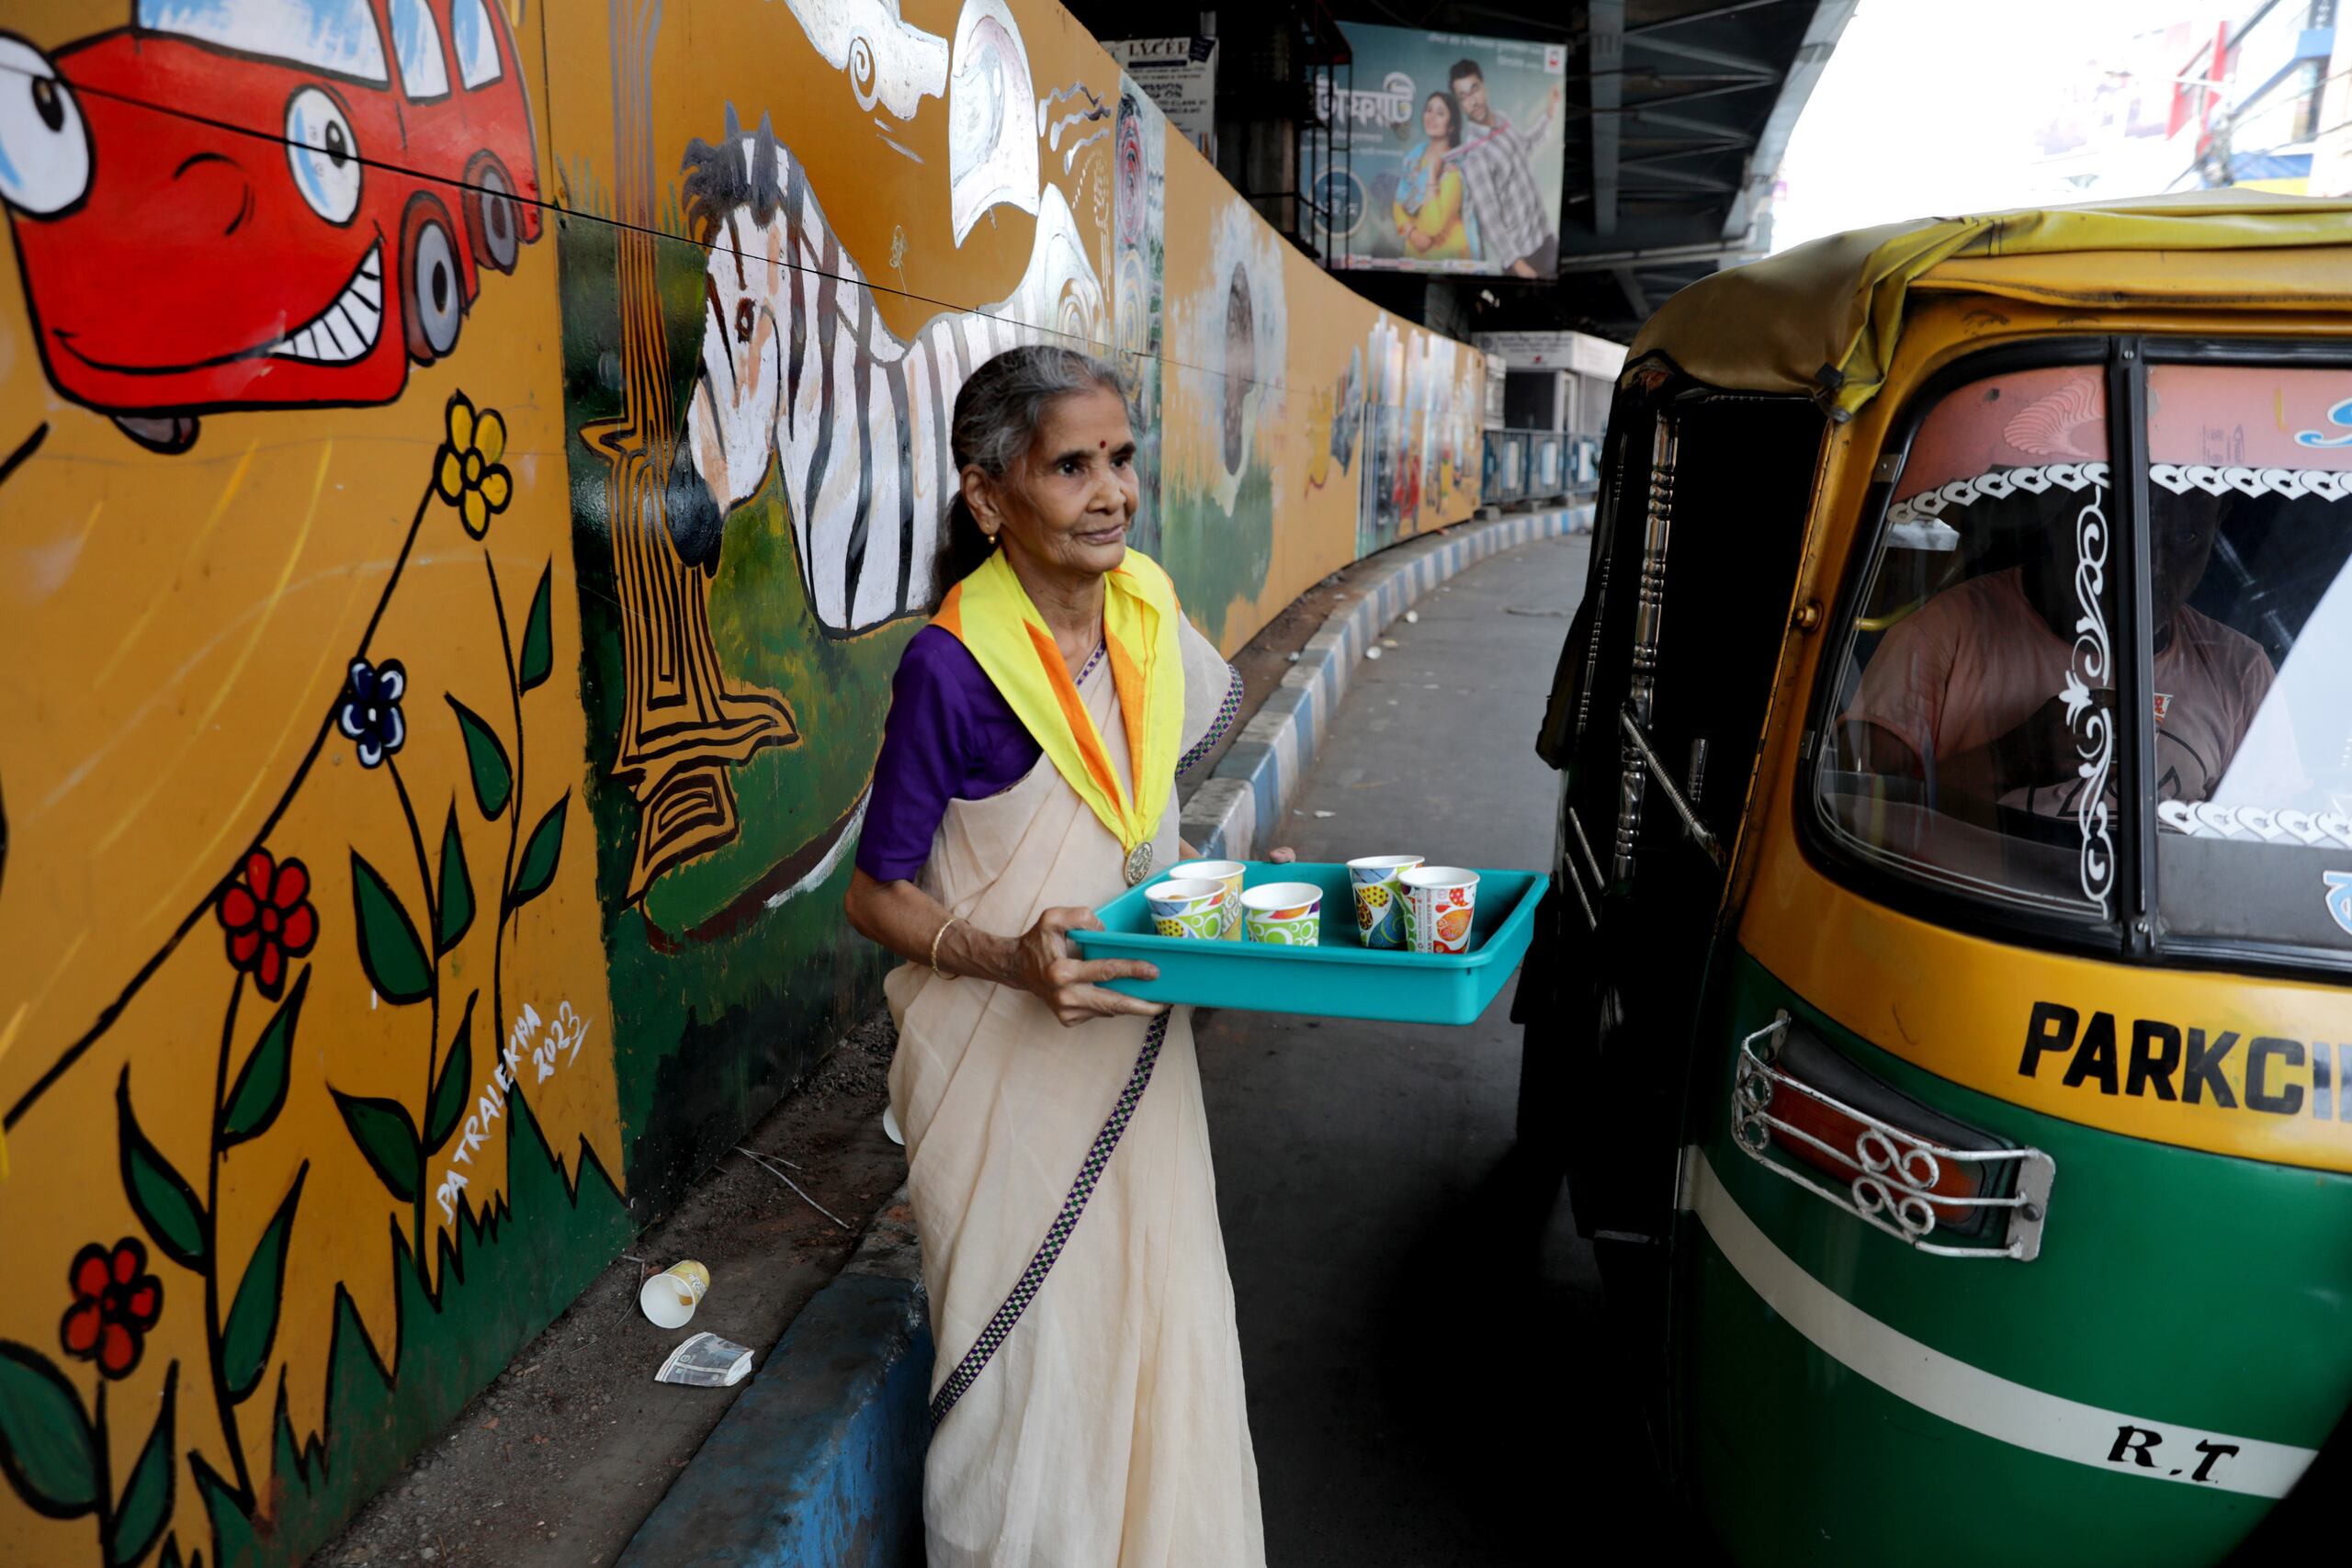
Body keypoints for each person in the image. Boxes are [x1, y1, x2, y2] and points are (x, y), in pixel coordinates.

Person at [842, 345, 1269, 1566]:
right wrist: (1004, 952)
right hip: (1005, 1077)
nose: (1110, 492)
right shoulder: (953, 666)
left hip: (1142, 1043)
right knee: (1027, 1364)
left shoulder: (1142, 604)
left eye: (1121, 458)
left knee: (1159, 1316)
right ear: (990, 498)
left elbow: (1172, 764)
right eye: (1071, 465)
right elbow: (877, 895)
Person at [1842, 487, 2276, 816]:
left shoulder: (2240, 672)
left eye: (2184, 537)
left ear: (2220, 519)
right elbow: (1855, 812)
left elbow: (2262, 854)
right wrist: (2011, 759)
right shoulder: (1938, 636)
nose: (2149, 566)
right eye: (2115, 530)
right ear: (2059, 513)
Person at [1447, 58, 1561, 278]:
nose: (1473, 101)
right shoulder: (1474, 156)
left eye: (1474, 90)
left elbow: (1524, 147)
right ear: (1461, 105)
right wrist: (1519, 266)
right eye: (1464, 97)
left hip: (1544, 237)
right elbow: (1490, 220)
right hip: (1525, 259)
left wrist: (1549, 114)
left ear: (1484, 87)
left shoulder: (1502, 120)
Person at [1392, 90, 1478, 262]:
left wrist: (1432, 175)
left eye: (1440, 113)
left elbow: (1433, 226)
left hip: (1448, 261)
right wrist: (1411, 231)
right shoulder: (1415, 157)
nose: (1431, 116)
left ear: (1451, 126)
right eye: (1428, 110)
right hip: (1415, 257)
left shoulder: (1453, 170)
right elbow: (1397, 205)